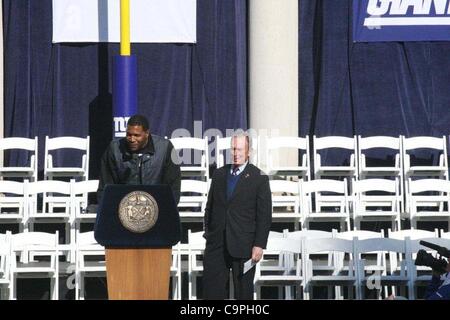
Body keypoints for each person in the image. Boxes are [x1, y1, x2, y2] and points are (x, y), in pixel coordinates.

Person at [202, 133, 272, 300]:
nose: (235, 153)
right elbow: (210, 207)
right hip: (217, 244)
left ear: (249, 152)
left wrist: (259, 244)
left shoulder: (259, 178)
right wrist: (209, 234)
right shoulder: (219, 174)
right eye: (233, 149)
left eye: (239, 149)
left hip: (244, 245)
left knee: (243, 293)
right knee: (213, 292)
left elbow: (264, 215)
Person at [97, 114, 181, 204]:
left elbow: (173, 186)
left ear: (147, 133)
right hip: (124, 208)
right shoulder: (114, 149)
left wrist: (165, 208)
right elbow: (105, 186)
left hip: (156, 206)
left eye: (137, 135)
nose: (132, 139)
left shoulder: (165, 148)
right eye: (129, 134)